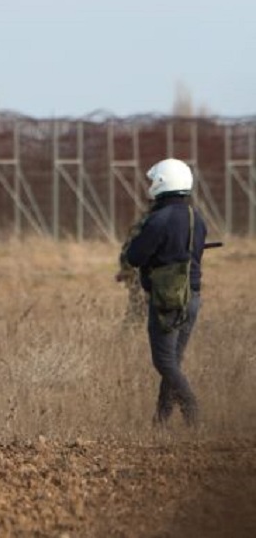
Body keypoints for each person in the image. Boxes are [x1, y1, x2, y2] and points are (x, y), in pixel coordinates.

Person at [123, 159, 206, 428]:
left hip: (167, 299)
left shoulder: (159, 218)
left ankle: (191, 408)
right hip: (192, 297)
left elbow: (135, 256)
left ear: (162, 182)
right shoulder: (196, 217)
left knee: (164, 361)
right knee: (173, 361)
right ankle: (160, 422)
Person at [116, 205, 153, 326]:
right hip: (141, 273)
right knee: (138, 308)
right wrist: (126, 271)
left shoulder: (148, 220)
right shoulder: (146, 222)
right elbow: (129, 251)